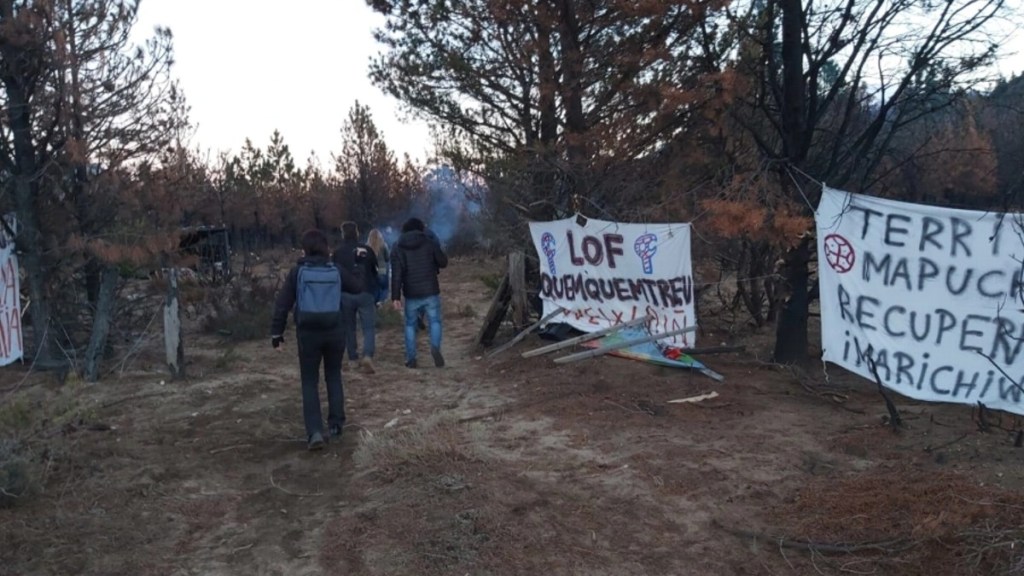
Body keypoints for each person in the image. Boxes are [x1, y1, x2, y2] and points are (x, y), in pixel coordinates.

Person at [271, 229, 364, 451]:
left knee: (309, 381)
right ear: (326, 248)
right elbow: (358, 287)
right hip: (334, 330)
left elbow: (282, 304)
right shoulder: (337, 270)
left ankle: (314, 432)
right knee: (333, 376)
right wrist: (358, 264)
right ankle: (336, 425)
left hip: (308, 333)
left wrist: (277, 333)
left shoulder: (297, 272)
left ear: (305, 249)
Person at [391, 217, 448, 368]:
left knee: (410, 325)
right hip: (430, 290)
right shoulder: (429, 242)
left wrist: (395, 297)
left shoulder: (397, 247)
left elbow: (396, 274)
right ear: (421, 228)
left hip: (411, 293)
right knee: (435, 321)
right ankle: (435, 347)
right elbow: (443, 262)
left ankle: (411, 359)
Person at [332, 222, 379, 374]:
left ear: (343, 234)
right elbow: (374, 271)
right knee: (368, 328)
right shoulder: (367, 250)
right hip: (365, 293)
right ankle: (367, 355)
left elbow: (334, 274)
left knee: (349, 328)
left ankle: (352, 359)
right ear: (357, 233)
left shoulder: (338, 253)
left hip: (345, 294)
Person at [366, 227, 390, 305]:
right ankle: (382, 301)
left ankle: (375, 302)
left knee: (375, 287)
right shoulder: (383, 245)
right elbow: (387, 258)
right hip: (382, 268)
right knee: (384, 287)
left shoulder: (367, 247)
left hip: (372, 269)